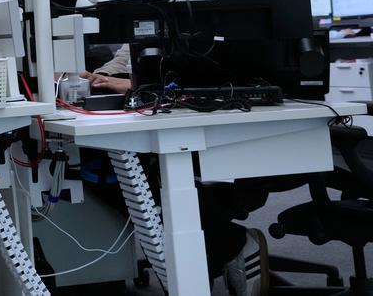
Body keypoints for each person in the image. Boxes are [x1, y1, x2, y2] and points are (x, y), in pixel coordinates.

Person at [77, 43, 268, 295]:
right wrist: (102, 79)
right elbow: (128, 55)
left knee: (138, 177)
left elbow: (213, 65)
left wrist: (142, 84)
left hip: (218, 112)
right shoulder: (143, 13)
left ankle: (230, 245)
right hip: (155, 107)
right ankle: (214, 250)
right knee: (99, 167)